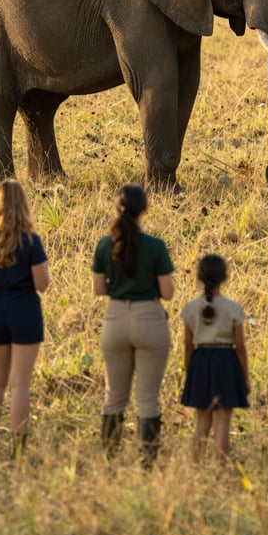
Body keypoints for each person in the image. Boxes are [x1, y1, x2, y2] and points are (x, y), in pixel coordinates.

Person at [92, 183, 175, 466]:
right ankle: (147, 464)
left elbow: (98, 289)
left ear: (117, 209)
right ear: (145, 210)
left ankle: (109, 459)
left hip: (115, 319)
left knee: (114, 397)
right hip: (149, 318)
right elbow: (167, 293)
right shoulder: (155, 246)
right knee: (148, 398)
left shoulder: (105, 244)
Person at [0, 179, 50, 457]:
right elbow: (42, 284)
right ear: (23, 206)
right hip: (25, 309)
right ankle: (18, 449)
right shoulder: (31, 241)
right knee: (20, 383)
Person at [180, 254, 249, 463]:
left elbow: (188, 346)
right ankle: (220, 466)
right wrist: (244, 376)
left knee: (202, 420)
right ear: (225, 278)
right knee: (223, 419)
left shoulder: (190, 308)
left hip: (200, 360)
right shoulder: (233, 308)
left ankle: (197, 465)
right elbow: (240, 347)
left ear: (199, 278)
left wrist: (189, 371)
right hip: (226, 360)